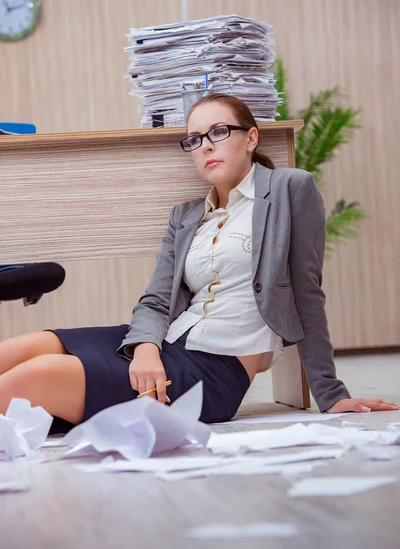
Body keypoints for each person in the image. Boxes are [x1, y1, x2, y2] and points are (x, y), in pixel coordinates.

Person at [0, 93, 398, 430]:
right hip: (165, 343)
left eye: (219, 132)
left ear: (250, 138)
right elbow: (156, 299)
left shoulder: (290, 190)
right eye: (194, 139)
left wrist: (331, 394)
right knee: (25, 348)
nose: (205, 145)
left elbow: (308, 295)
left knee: (35, 377)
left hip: (213, 372)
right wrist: (144, 349)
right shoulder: (186, 216)